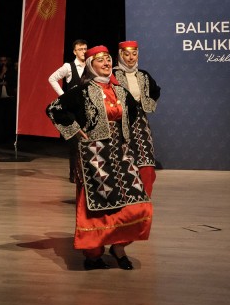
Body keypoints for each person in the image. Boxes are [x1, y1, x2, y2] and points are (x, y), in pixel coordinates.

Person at [46, 45, 153, 271]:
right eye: (100, 60)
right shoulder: (82, 91)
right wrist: (75, 129)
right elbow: (54, 109)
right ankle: (93, 255)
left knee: (137, 205)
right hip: (95, 156)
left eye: (108, 59)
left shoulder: (120, 91)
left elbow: (135, 113)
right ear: (90, 65)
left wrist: (127, 136)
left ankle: (119, 247)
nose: (106, 63)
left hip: (121, 154)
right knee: (98, 207)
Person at [113, 40, 161, 197]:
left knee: (146, 158)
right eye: (126, 54)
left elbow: (156, 90)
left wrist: (147, 104)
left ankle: (145, 196)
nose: (131, 58)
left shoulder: (143, 75)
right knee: (122, 158)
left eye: (134, 54)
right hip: (119, 121)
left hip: (140, 120)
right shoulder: (112, 75)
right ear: (120, 56)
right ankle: (125, 195)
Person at [47, 39, 88, 183]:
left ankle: (86, 173)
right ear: (74, 52)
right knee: (74, 143)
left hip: (87, 109)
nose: (83, 51)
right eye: (80, 49)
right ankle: (74, 174)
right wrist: (63, 96)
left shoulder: (90, 65)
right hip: (72, 110)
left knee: (87, 142)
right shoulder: (69, 66)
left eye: (85, 49)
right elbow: (52, 78)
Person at [0, 55, 17, 145]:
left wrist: (7, 83)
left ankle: (10, 137)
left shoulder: (11, 71)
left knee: (9, 118)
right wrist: (2, 73)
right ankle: (0, 138)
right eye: (1, 61)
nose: (3, 62)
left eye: (4, 60)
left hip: (10, 98)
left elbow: (14, 82)